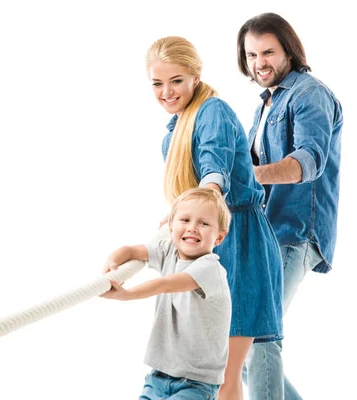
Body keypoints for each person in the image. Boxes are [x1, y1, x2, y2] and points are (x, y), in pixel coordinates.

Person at [144, 36, 283, 400]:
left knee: (225, 373)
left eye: (176, 80)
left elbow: (213, 169)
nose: (166, 91)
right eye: (157, 83)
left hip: (237, 241)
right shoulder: (177, 126)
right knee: (209, 369)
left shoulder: (212, 111)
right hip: (206, 238)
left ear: (195, 76)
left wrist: (201, 203)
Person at [237, 12, 344, 400]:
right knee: (246, 348)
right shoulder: (267, 103)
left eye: (268, 52)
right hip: (268, 234)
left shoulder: (308, 93)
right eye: (251, 55)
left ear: (289, 52)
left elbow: (309, 160)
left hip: (294, 231)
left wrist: (251, 175)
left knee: (258, 336)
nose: (259, 63)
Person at [102, 188, 231, 400]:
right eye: (185, 220)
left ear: (219, 237)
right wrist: (113, 261)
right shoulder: (169, 250)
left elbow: (166, 284)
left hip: (197, 383)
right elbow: (131, 250)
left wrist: (125, 294)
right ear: (170, 226)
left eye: (204, 223)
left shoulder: (210, 268)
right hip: (158, 376)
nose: (192, 228)